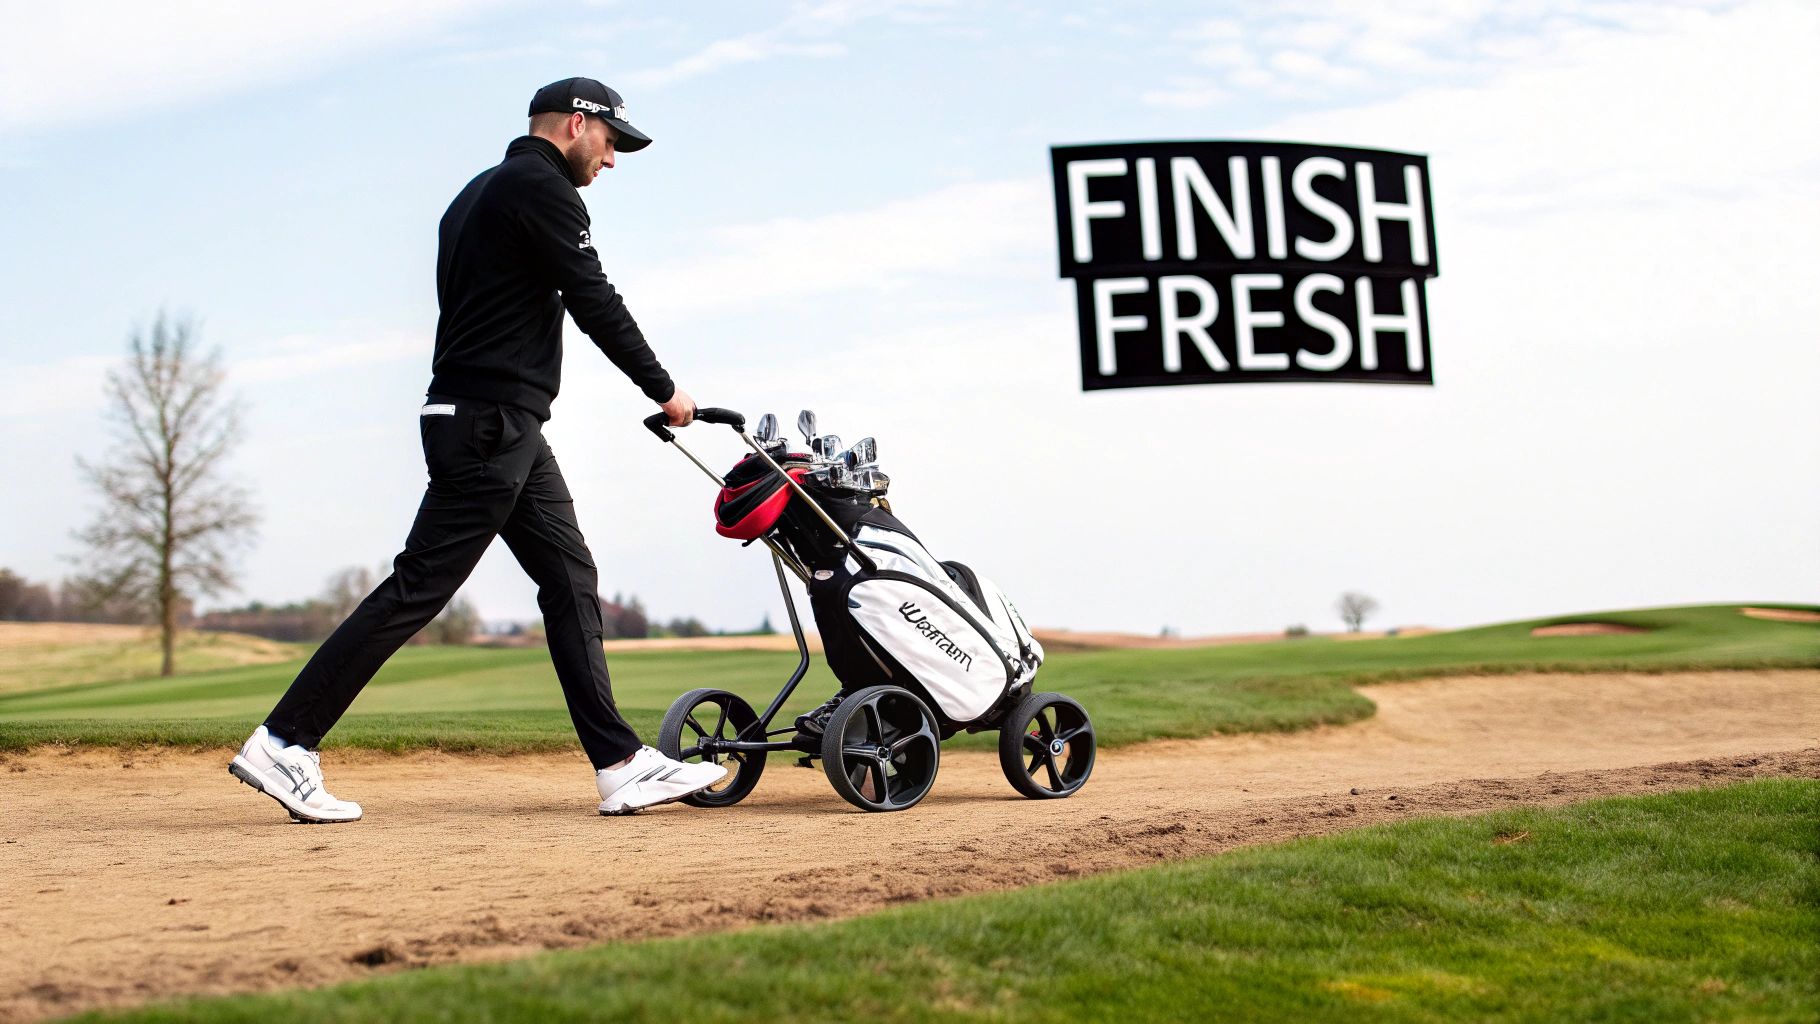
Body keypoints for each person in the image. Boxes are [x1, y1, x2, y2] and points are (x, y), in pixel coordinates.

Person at [229, 78, 725, 823]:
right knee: (419, 586)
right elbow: (593, 297)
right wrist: (665, 389)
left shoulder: (474, 195)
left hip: (499, 422)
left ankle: (621, 765)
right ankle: (284, 741)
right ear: (577, 124)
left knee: (570, 578)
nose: (613, 159)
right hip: (490, 423)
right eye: (610, 141)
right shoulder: (543, 189)